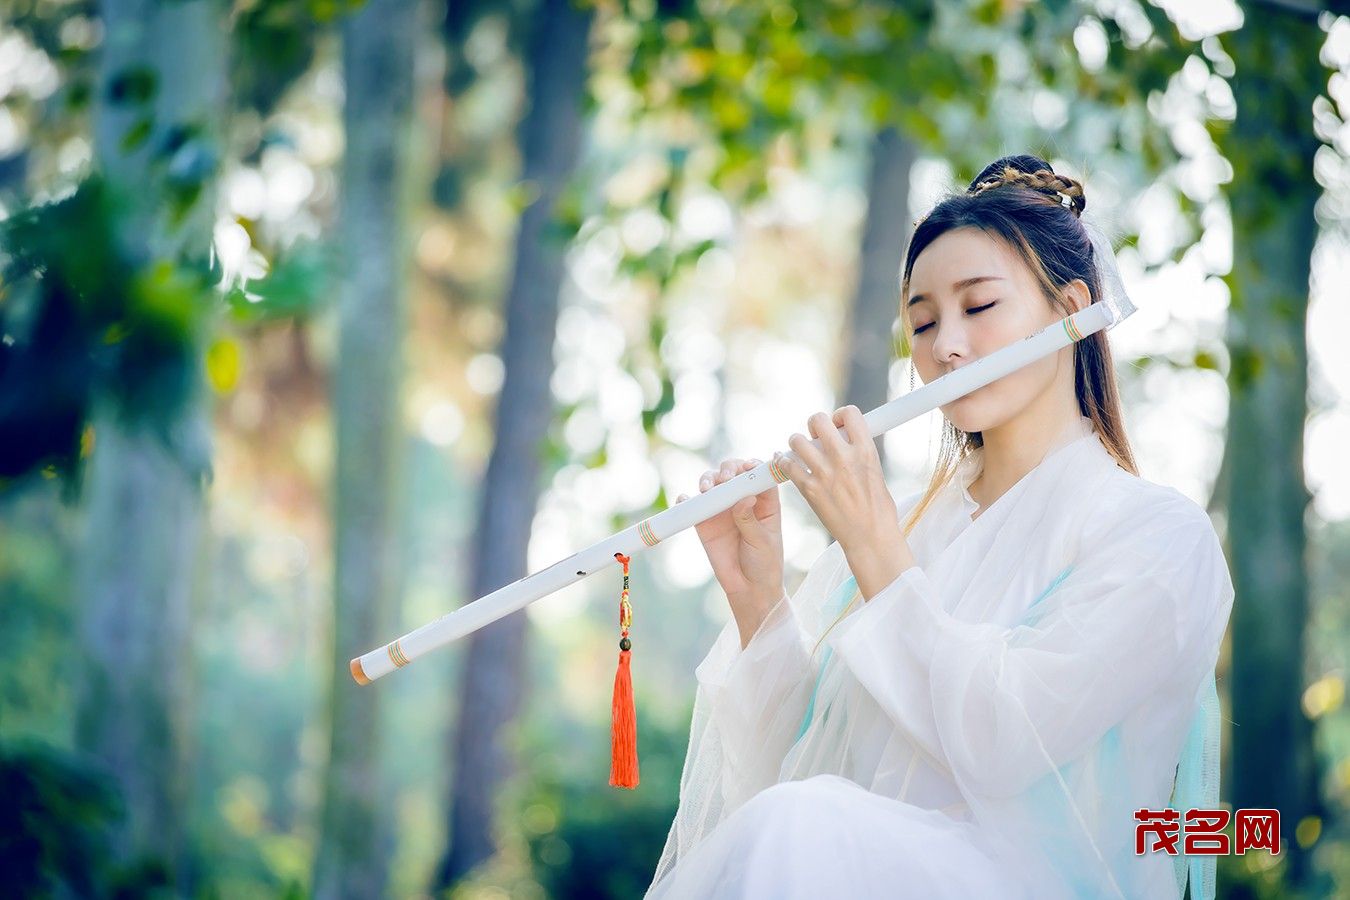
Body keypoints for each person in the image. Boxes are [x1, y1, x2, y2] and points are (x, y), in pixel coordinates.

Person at [648, 154, 1235, 899]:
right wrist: (757, 594)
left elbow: (1007, 746)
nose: (944, 346)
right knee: (793, 819)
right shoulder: (906, 525)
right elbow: (790, 779)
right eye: (922, 322)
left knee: (799, 822)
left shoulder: (1157, 536)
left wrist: (873, 547)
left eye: (979, 306)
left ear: (1071, 309)